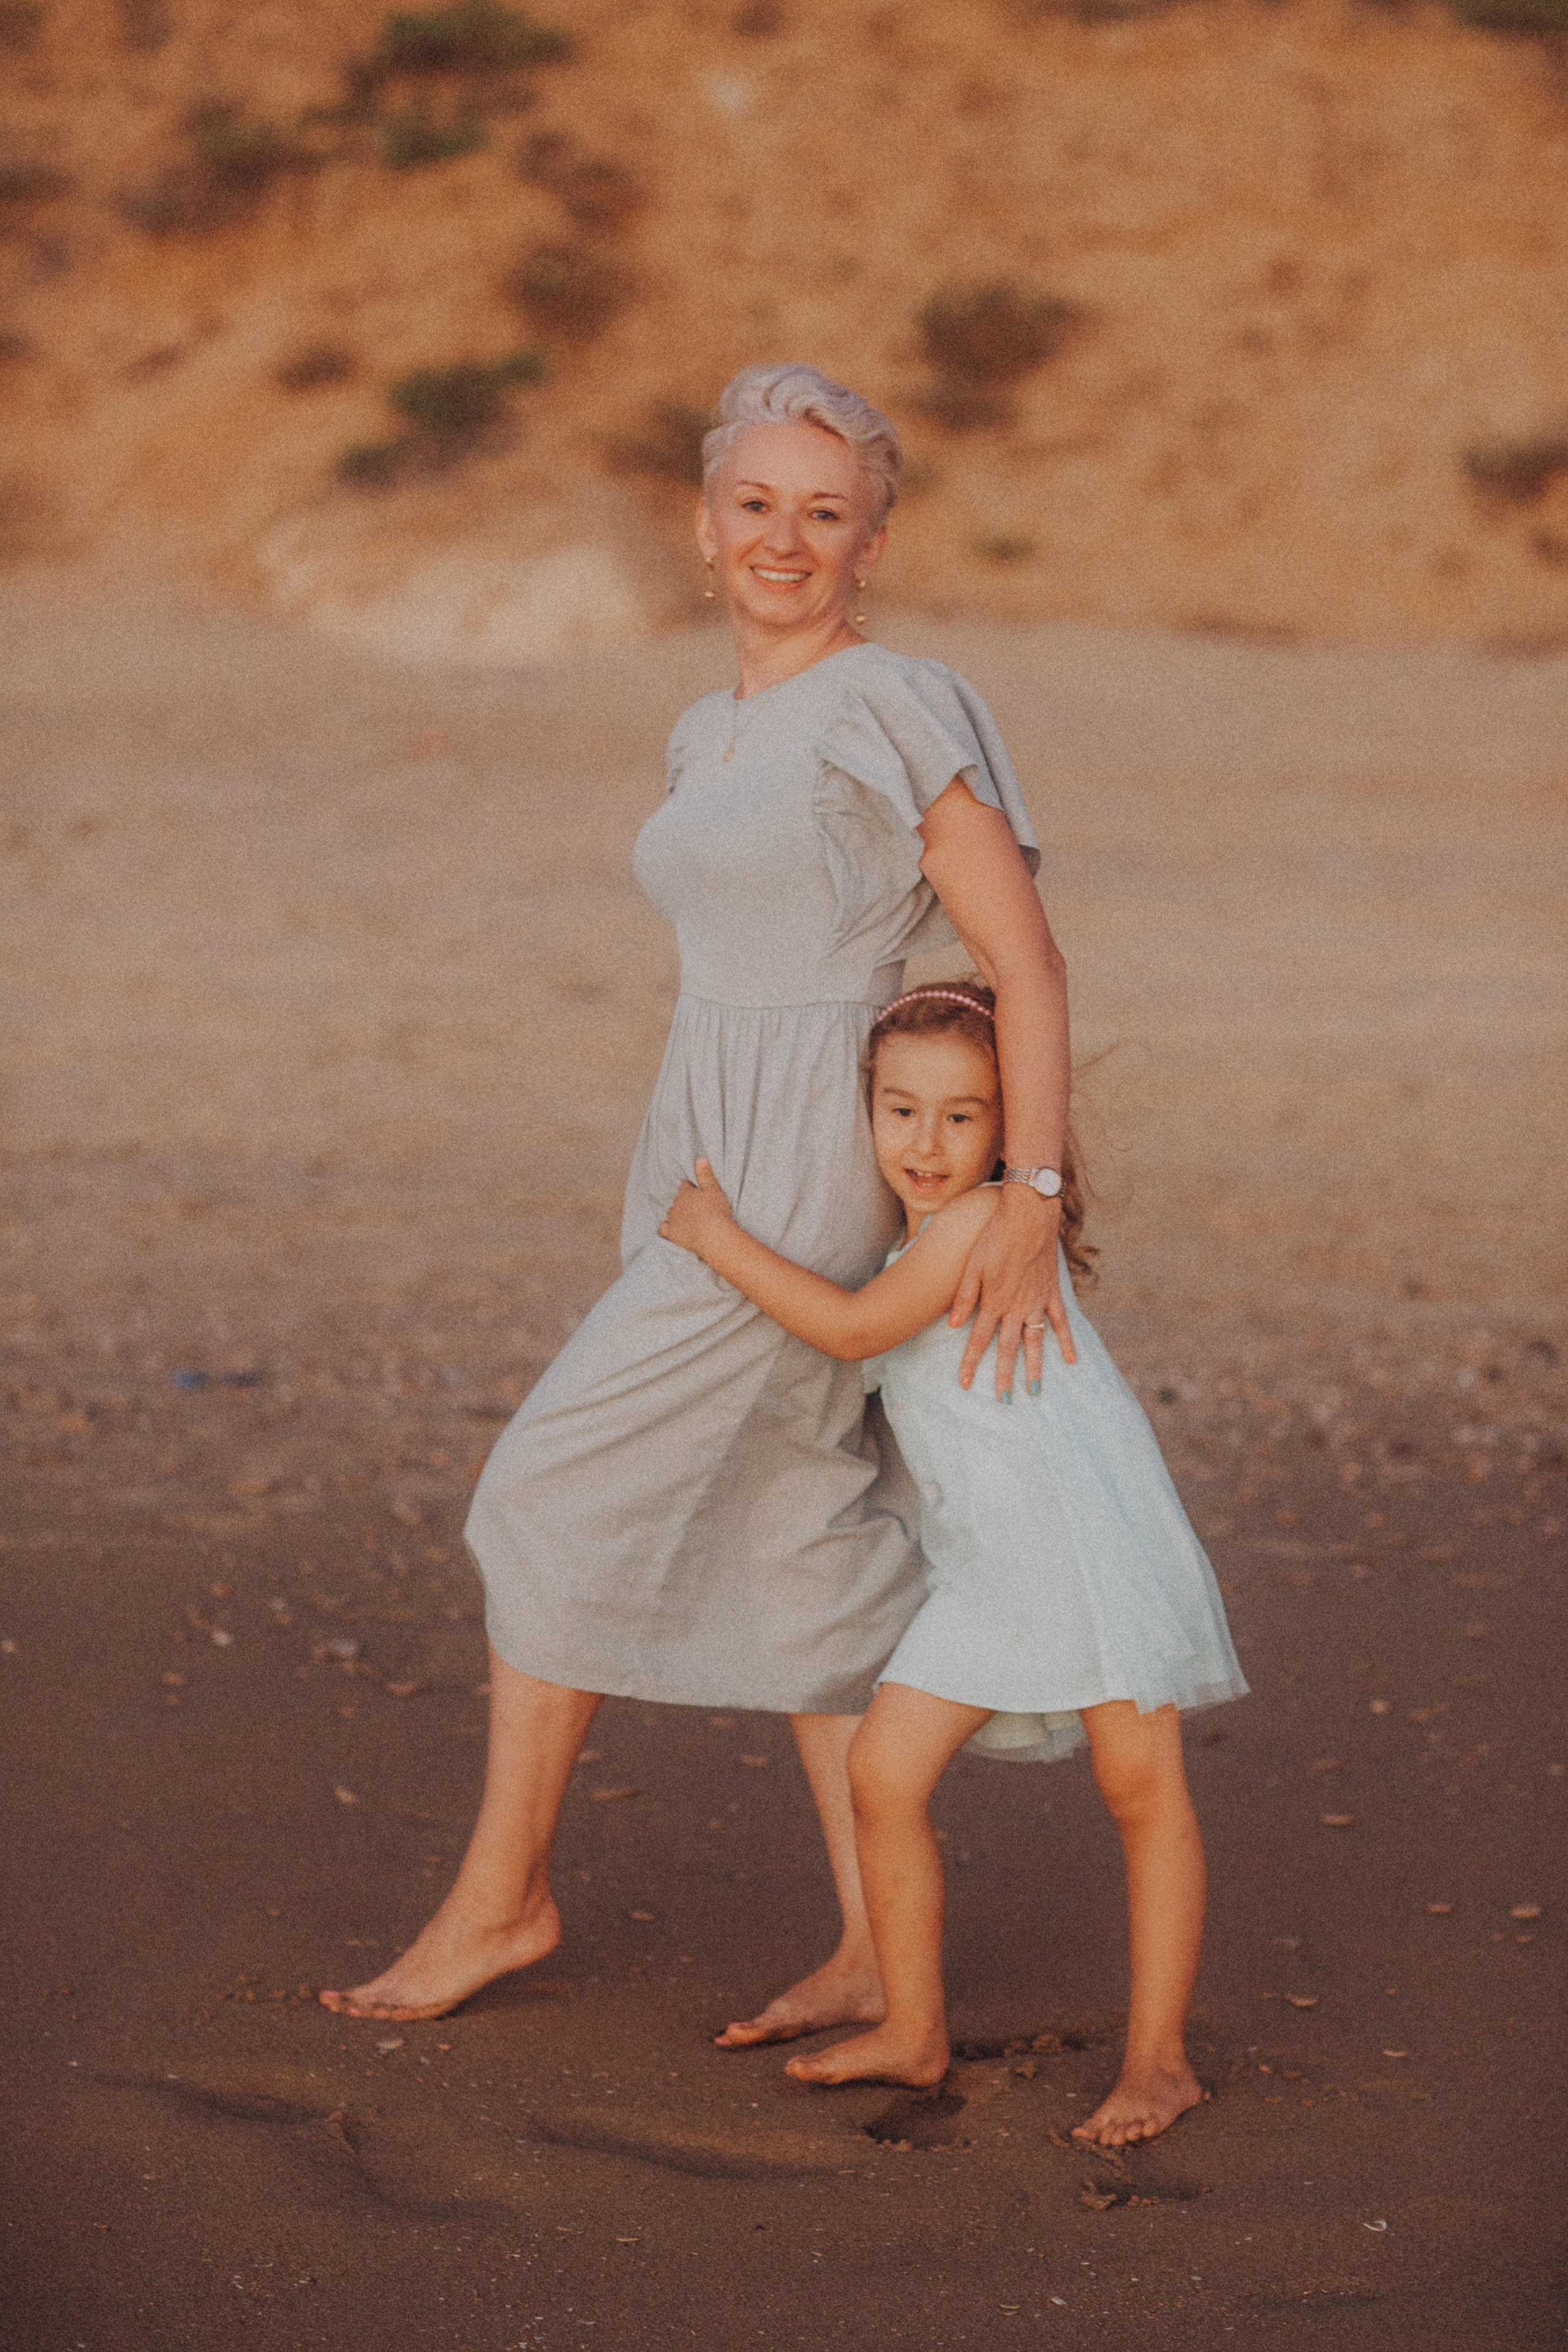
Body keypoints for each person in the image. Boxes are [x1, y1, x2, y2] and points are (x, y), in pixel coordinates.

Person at [319, 362, 1073, 2034]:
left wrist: (1027, 1190)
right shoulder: (707, 724)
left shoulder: (897, 703)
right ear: (703, 525)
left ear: (873, 543)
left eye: (825, 513)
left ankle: (503, 1900)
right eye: (756, 507)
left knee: (544, 1490)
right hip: (694, 1139)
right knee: (797, 1526)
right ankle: (883, 1946)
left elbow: (1025, 962)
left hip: (802, 1168)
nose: (784, 541)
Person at [659, 981, 1246, 2145]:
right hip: (988, 1574)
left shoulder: (982, 1226)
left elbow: (853, 1331)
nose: (926, 1144)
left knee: (1141, 1795)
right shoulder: (919, 1233)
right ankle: (912, 2026)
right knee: (884, 1773)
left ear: (1011, 1126)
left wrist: (717, 1240)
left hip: (1081, 1549)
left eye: (964, 1117)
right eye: (900, 1110)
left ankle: (1160, 2062)